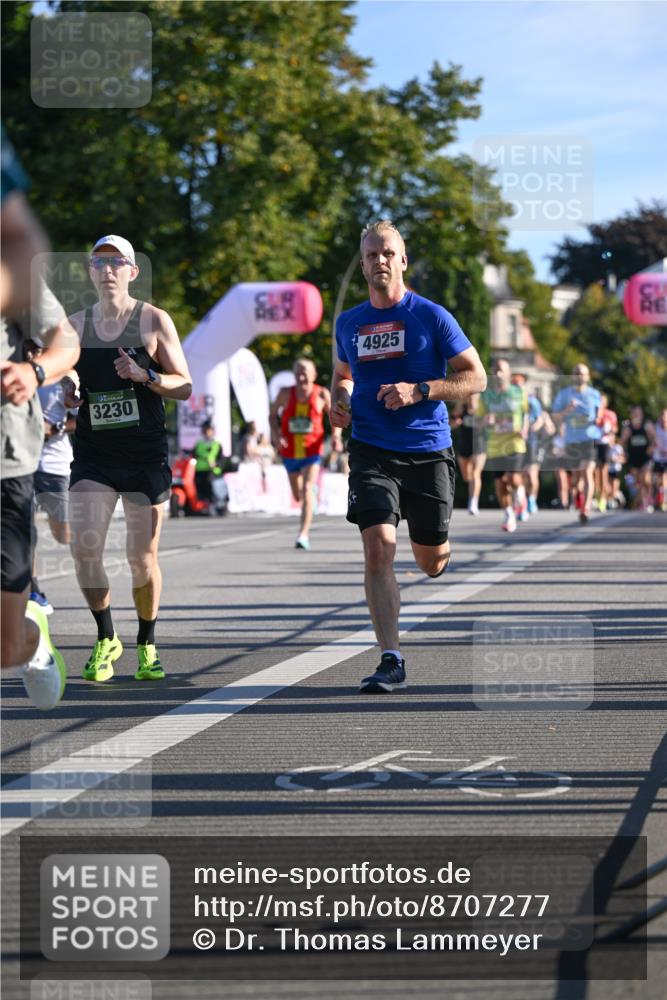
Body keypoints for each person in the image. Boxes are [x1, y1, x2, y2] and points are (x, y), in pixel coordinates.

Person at [331, 220, 486, 693]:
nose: (380, 261)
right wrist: (338, 398)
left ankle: (439, 548)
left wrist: (421, 389)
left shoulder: (431, 317)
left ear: (402, 261)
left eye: (387, 253)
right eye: (371, 255)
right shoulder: (349, 323)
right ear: (362, 266)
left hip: (428, 450)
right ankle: (391, 658)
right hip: (372, 449)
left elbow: (475, 378)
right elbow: (342, 375)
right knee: (379, 547)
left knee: (429, 561)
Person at [63, 235, 192, 684]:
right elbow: (65, 376)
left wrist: (145, 374)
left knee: (142, 558)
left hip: (143, 455)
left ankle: (147, 642)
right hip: (95, 456)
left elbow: (185, 384)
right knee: (85, 549)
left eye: (117, 262)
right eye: (99, 262)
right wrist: (69, 390)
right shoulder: (75, 325)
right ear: (91, 271)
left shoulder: (153, 320)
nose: (108, 269)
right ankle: (105, 636)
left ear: (133, 271)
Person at [1, 132, 80, 709]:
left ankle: (29, 641)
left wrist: (36, 372)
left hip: (7, 456)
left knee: (3, 645)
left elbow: (65, 341)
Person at [26, 341, 78, 614]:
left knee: (64, 534)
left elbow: (81, 418)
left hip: (54, 466)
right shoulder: (14, 374)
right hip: (20, 464)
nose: (33, 355)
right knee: (22, 530)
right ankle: (33, 589)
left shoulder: (63, 377)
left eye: (38, 349)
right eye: (29, 349)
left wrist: (56, 426)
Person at [270, 357, 342, 550]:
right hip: (290, 451)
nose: (301, 376)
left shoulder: (321, 394)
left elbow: (335, 417)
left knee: (307, 488)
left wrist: (336, 436)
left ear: (313, 375)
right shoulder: (285, 394)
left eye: (305, 372)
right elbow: (272, 416)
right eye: (298, 372)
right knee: (297, 495)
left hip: (313, 450)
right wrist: (277, 437)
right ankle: (308, 497)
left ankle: (303, 534)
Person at [477, 359, 529, 532]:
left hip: (515, 442)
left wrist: (525, 428)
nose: (499, 374)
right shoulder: (487, 396)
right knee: (500, 483)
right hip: (495, 444)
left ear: (508, 374)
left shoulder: (518, 392)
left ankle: (521, 496)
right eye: (496, 371)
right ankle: (509, 516)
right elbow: (479, 421)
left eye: (502, 371)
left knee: (513, 478)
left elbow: (526, 413)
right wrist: (486, 420)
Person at [552, 364, 602, 524]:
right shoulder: (564, 395)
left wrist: (598, 419)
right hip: (571, 440)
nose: (580, 376)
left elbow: (599, 416)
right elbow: (555, 417)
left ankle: (585, 508)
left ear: (587, 377)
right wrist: (567, 410)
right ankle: (579, 494)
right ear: (572, 376)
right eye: (577, 373)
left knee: (587, 472)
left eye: (583, 373)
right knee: (576, 477)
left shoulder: (594, 394)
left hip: (589, 439)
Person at [451, 394, 485, 515]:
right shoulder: (461, 408)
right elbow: (451, 424)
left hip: (479, 445)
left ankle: (473, 502)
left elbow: (492, 423)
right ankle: (472, 494)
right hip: (464, 445)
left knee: (476, 473)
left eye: (474, 395)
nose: (471, 398)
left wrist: (487, 422)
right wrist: (457, 423)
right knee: (467, 476)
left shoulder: (483, 409)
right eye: (469, 396)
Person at [620, 406, 655, 511]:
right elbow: (622, 442)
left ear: (642, 414)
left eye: (638, 413)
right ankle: (641, 502)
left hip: (645, 457)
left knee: (646, 479)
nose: (636, 415)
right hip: (633, 458)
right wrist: (624, 452)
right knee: (638, 482)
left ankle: (648, 500)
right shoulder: (628, 427)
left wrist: (651, 447)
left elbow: (654, 439)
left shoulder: (647, 425)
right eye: (634, 413)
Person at [593, 393, 618, 512]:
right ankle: (597, 496)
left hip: (605, 445)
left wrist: (610, 430)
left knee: (603, 473)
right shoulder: (592, 413)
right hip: (593, 445)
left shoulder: (610, 414)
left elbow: (615, 429)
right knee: (593, 473)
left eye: (602, 401)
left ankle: (602, 499)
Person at [193, 420, 223, 508]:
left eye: (209, 429)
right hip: (199, 471)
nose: (207, 431)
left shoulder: (217, 444)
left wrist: (216, 465)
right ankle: (202, 505)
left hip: (212, 472)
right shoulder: (199, 443)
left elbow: (221, 459)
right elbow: (193, 455)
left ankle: (213, 504)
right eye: (205, 429)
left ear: (213, 431)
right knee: (199, 488)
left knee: (211, 487)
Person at [652, 408, 667, 512]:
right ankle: (658, 499)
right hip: (658, 458)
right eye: (662, 416)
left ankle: (663, 502)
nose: (663, 418)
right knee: (657, 481)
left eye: (665, 416)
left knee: (664, 479)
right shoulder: (656, 428)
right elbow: (653, 441)